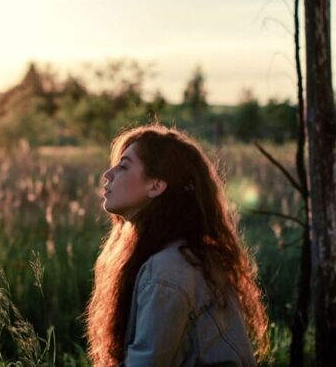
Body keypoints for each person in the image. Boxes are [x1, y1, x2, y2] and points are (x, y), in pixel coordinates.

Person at [84, 123, 269, 366]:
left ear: (156, 185)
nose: (108, 175)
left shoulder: (168, 268)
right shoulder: (182, 255)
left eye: (124, 166)